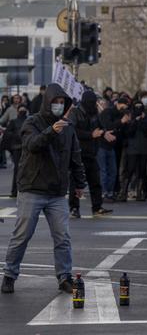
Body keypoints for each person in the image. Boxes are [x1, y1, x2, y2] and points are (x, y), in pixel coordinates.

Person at [1, 84, 86, 294]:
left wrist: (79, 183)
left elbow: (75, 156)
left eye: (61, 103)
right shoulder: (32, 122)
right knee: (22, 235)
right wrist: (51, 131)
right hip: (32, 188)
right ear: (48, 103)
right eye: (55, 102)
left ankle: (64, 276)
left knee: (63, 237)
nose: (58, 106)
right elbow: (32, 145)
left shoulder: (68, 127)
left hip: (57, 191)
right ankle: (10, 275)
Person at [67, 90, 113, 218]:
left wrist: (104, 133)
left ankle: (97, 207)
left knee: (95, 181)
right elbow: (72, 130)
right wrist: (90, 135)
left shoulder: (94, 113)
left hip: (92, 152)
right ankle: (74, 208)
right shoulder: (75, 112)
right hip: (78, 153)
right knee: (76, 183)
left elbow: (100, 126)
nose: (93, 104)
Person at [98, 98, 130, 201]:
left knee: (113, 171)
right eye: (123, 106)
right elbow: (108, 126)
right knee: (103, 170)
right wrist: (121, 121)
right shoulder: (108, 112)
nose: (124, 108)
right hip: (102, 145)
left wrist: (127, 122)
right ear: (118, 104)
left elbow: (123, 131)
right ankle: (104, 192)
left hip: (113, 146)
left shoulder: (122, 114)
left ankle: (111, 192)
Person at [118, 100, 147, 202]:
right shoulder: (130, 117)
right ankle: (124, 192)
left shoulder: (146, 118)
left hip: (144, 148)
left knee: (141, 171)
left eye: (140, 107)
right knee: (130, 170)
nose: (138, 109)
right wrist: (135, 121)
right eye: (136, 107)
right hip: (132, 148)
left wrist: (143, 120)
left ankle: (140, 193)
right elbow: (128, 132)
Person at [2, 104, 28, 197]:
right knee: (21, 169)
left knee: (19, 170)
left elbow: (7, 135)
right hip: (22, 148)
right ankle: (18, 191)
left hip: (20, 148)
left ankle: (16, 191)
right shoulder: (27, 121)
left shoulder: (17, 121)